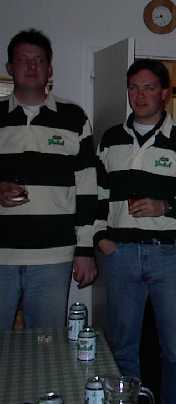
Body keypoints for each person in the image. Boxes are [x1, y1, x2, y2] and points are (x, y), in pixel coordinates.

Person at [95, 59, 176, 404]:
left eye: (148, 88)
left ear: (164, 93)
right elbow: (95, 195)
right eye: (133, 88)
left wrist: (166, 207)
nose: (140, 95)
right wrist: (100, 238)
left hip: (168, 255)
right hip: (120, 254)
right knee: (122, 348)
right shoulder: (111, 139)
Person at [0, 29, 97, 330]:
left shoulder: (74, 117)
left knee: (46, 345)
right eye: (23, 60)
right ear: (9, 68)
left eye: (39, 60)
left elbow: (87, 189)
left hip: (54, 255)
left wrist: (85, 250)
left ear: (50, 69)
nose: (31, 66)